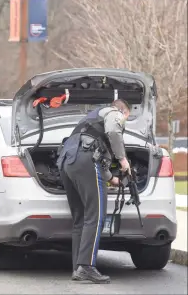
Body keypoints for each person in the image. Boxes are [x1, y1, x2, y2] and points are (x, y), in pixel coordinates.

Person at [56, 99, 131, 284]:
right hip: (85, 161)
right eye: (126, 118)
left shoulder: (90, 121)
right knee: (96, 216)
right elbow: (113, 132)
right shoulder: (113, 112)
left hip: (67, 162)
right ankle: (87, 267)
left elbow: (96, 153)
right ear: (122, 111)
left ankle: (78, 267)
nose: (124, 123)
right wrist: (123, 160)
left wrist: (111, 179)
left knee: (80, 218)